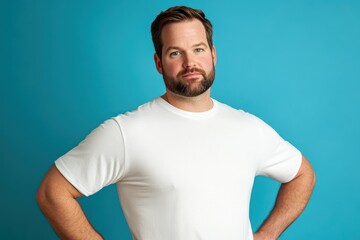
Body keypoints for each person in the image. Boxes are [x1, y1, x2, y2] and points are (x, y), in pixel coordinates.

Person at [37, 6, 316, 240]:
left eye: (198, 49)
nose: (190, 62)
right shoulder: (127, 132)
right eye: (175, 53)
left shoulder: (247, 128)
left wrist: (267, 234)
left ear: (213, 54)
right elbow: (52, 193)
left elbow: (303, 174)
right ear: (159, 63)